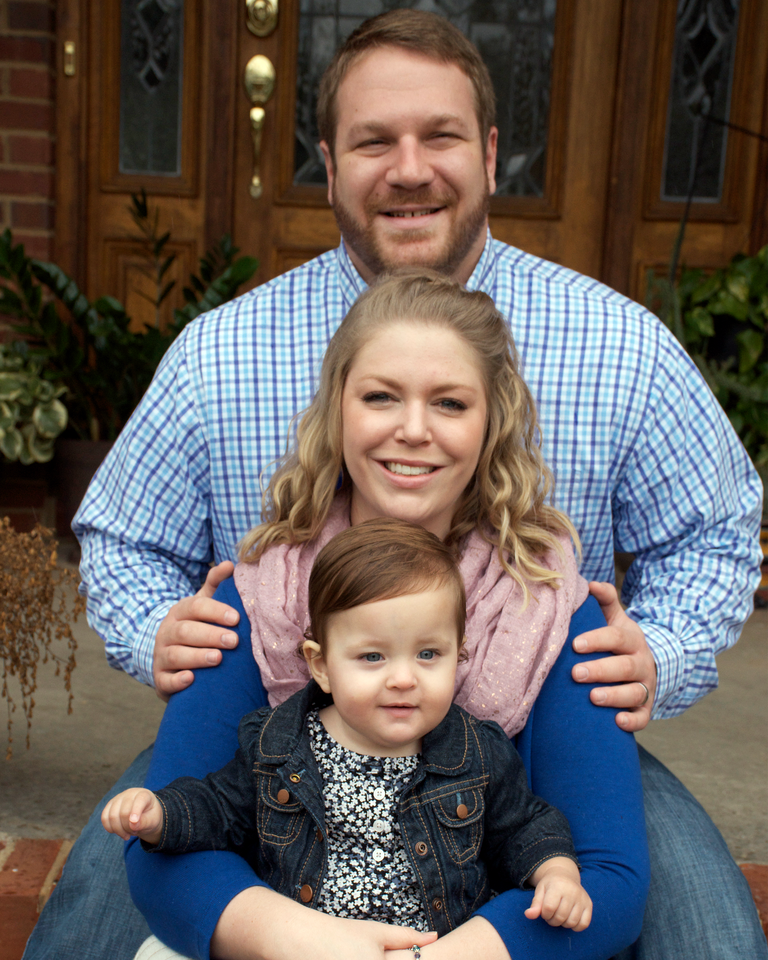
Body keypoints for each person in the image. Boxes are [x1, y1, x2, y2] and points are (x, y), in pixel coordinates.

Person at [23, 9, 763, 960]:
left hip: (544, 737)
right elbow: (127, 541)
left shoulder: (620, 347)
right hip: (273, 741)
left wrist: (652, 651)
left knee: (712, 934)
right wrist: (160, 628)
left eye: (441, 136)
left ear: (491, 154)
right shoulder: (223, 357)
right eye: (375, 140)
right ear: (327, 164)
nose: (409, 168)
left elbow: (714, 530)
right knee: (90, 916)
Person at [123, 270, 644, 960]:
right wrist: (321, 947)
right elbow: (166, 844)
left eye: (451, 403)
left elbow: (608, 879)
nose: (413, 430)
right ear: (338, 409)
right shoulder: (255, 602)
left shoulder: (549, 609)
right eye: (380, 397)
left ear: (491, 422)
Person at [103, 519, 593, 937]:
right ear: (321, 666)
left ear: (458, 654)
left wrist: (557, 873)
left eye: (429, 654)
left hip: (434, 944)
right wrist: (160, 814)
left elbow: (524, 825)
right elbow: (219, 808)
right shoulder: (280, 747)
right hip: (310, 943)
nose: (403, 678)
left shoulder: (475, 755)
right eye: (372, 657)